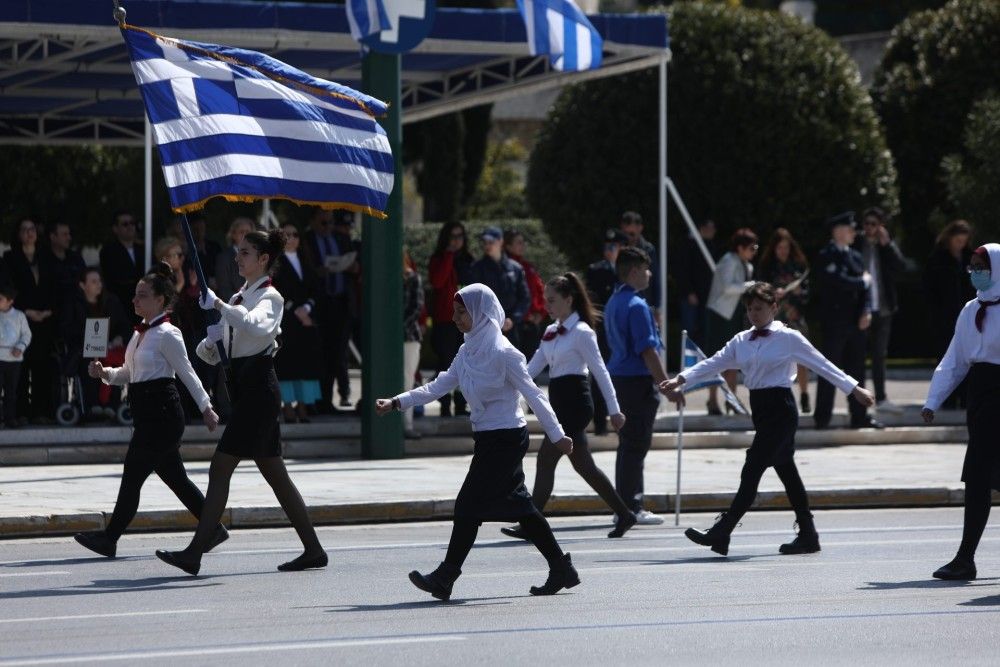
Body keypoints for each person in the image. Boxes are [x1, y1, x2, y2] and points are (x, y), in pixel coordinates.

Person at [375, 284, 580, 601]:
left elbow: (535, 396)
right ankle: (561, 567)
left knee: (468, 503)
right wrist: (398, 401)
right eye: (455, 311)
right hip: (487, 438)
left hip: (508, 437)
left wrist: (558, 435)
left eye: (462, 311)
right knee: (521, 507)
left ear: (481, 313)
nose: (455, 317)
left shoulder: (505, 353)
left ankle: (445, 576)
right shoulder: (467, 351)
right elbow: (439, 386)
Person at [155, 229, 327, 575]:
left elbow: (256, 327)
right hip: (245, 387)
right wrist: (211, 339)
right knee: (276, 475)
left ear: (264, 259)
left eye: (245, 253)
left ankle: (194, 552)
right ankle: (313, 549)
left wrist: (219, 305)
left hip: (260, 392)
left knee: (220, 467)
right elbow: (215, 353)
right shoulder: (238, 295)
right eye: (238, 252)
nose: (238, 258)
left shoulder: (270, 297)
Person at [662, 282, 875, 555]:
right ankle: (808, 534)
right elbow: (713, 362)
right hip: (760, 410)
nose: (754, 313)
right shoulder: (741, 340)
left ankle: (723, 530)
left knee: (752, 468)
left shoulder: (789, 338)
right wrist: (681, 378)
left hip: (781, 410)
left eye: (760, 308)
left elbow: (822, 364)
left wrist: (854, 389)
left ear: (774, 307)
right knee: (787, 471)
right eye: (750, 309)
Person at [73, 263, 225, 559]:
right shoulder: (139, 333)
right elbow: (129, 373)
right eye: (135, 295)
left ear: (159, 300)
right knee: (177, 479)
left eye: (141, 296)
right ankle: (213, 528)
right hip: (146, 412)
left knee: (132, 475)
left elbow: (188, 373)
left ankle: (110, 538)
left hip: (162, 415)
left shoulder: (168, 333)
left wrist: (206, 407)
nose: (134, 300)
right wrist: (104, 372)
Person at [500, 273, 635, 541]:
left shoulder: (582, 332)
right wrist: (508, 389)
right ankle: (625, 513)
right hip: (558, 401)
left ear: (569, 300)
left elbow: (600, 371)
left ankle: (530, 522)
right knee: (584, 466)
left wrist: (614, 409)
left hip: (576, 403)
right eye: (545, 300)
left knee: (545, 459)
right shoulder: (551, 332)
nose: (546, 305)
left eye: (551, 300)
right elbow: (532, 368)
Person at [922, 244, 1000, 580]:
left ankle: (965, 557)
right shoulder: (971, 310)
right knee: (982, 476)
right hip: (980, 394)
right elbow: (955, 360)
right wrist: (932, 400)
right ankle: (965, 557)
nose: (975, 272)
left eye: (981, 266)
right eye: (972, 266)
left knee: (978, 474)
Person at [605, 247, 673, 525]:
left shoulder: (613, 302)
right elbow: (648, 351)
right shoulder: (637, 305)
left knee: (628, 445)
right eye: (646, 269)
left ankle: (625, 505)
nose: (649, 274)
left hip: (620, 379)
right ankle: (631, 506)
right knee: (636, 445)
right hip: (637, 380)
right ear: (633, 272)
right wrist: (667, 384)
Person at [813, 212, 882, 430]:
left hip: (855, 323)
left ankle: (859, 416)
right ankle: (822, 417)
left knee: (857, 371)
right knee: (829, 370)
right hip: (834, 322)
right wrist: (861, 282)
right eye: (850, 229)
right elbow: (838, 281)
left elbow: (866, 290)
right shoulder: (827, 255)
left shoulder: (855, 256)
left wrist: (866, 311)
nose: (854, 233)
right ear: (839, 231)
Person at [300, 208, 358, 411]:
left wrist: (352, 267)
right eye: (324, 223)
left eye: (331, 223)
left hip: (341, 303)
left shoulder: (341, 240)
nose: (328, 227)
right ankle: (315, 402)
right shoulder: (305, 241)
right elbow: (304, 270)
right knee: (319, 354)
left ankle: (327, 400)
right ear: (313, 221)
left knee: (337, 354)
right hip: (318, 304)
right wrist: (317, 272)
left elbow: (355, 263)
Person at [59, 268, 130, 420]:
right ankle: (92, 405)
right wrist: (87, 336)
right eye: (93, 281)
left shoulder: (111, 301)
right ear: (83, 285)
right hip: (83, 350)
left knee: (116, 363)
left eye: (99, 281)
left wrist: (119, 337)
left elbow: (124, 326)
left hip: (110, 348)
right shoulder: (73, 304)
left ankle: (112, 405)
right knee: (90, 363)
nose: (99, 284)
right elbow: (66, 329)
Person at [855, 207, 907, 414]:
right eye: (866, 223)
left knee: (879, 355)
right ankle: (859, 399)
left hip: (883, 308)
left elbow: (901, 268)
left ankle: (881, 397)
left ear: (881, 226)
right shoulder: (857, 243)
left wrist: (888, 245)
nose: (869, 228)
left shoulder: (885, 246)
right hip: (861, 309)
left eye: (873, 224)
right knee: (857, 355)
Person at [5, 218, 56, 425]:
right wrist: (27, 310)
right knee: (22, 367)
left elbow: (53, 286)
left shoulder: (46, 256)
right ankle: (21, 412)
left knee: (42, 365)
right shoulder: (9, 258)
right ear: (18, 234)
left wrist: (47, 310)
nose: (29, 233)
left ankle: (40, 411)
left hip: (44, 319)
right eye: (24, 229)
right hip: (20, 318)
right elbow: (9, 287)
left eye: (32, 229)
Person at [272, 223, 323, 424]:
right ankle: (287, 407)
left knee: (305, 365)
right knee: (287, 366)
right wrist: (296, 310)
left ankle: (303, 405)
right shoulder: (275, 262)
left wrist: (308, 308)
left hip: (306, 321)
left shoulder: (306, 260)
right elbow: (277, 291)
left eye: (295, 234)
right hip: (287, 321)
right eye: (286, 235)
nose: (291, 238)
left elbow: (316, 288)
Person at [757, 227, 812, 413]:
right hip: (774, 319)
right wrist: (773, 293)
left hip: (795, 316)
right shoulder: (767, 267)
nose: (783, 251)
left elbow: (807, 294)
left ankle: (804, 395)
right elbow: (758, 293)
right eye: (780, 247)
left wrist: (798, 293)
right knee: (774, 359)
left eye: (786, 248)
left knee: (802, 357)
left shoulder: (797, 265)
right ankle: (778, 398)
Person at [705, 228, 758, 415]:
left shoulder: (746, 265)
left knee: (735, 356)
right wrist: (750, 286)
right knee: (717, 358)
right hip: (720, 315)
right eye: (751, 247)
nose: (754, 251)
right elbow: (727, 287)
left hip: (735, 315)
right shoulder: (728, 260)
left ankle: (732, 399)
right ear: (741, 247)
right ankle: (712, 400)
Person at [924, 220, 975, 410]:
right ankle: (947, 398)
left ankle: (965, 397)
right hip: (944, 318)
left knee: (968, 359)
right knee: (946, 359)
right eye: (957, 240)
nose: (960, 244)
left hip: (967, 316)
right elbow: (929, 288)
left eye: (964, 240)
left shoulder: (971, 258)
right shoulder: (938, 258)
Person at [428, 221, 474, 417]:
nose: (457, 241)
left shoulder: (469, 260)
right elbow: (437, 282)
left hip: (466, 322)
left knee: (465, 363)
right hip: (445, 320)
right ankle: (445, 405)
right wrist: (448, 255)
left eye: (460, 237)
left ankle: (461, 404)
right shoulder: (438, 258)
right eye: (453, 237)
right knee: (445, 363)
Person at [586, 229, 626, 435]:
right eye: (607, 247)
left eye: (614, 247)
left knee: (621, 374)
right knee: (600, 373)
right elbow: (591, 299)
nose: (610, 251)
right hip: (602, 330)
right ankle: (600, 422)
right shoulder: (595, 270)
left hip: (621, 330)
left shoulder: (625, 271)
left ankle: (620, 420)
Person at [469, 226, 530, 351]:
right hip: (486, 329)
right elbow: (472, 298)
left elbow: (525, 297)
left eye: (491, 242)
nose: (487, 245)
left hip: (511, 328)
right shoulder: (477, 268)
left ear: (501, 242)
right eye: (485, 242)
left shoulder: (515, 268)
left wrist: (513, 319)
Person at [676, 219, 720, 349]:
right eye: (709, 228)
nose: (713, 232)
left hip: (706, 297)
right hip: (691, 297)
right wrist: (689, 292)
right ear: (701, 229)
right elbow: (682, 271)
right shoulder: (688, 245)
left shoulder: (711, 246)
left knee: (704, 331)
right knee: (689, 331)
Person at [504, 228, 547, 359]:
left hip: (532, 323)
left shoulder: (528, 267)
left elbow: (540, 291)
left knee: (531, 364)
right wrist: (525, 315)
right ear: (508, 246)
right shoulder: (504, 267)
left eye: (523, 242)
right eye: (519, 242)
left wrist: (541, 313)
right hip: (515, 324)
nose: (523, 245)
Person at [99, 211, 144, 318]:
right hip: (122, 306)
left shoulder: (143, 249)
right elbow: (113, 279)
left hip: (143, 305)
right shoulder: (108, 251)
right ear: (115, 229)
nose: (130, 227)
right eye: (125, 224)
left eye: (132, 223)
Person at [0, 285, 31, 429]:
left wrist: (20, 347)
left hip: (13, 360)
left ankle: (10, 418)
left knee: (11, 391)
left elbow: (26, 334)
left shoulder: (19, 316)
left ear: (10, 301)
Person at [402, 249, 424, 439]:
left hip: (408, 337)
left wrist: (398, 328)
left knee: (407, 380)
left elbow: (416, 307)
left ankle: (406, 425)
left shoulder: (413, 278)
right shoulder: (384, 279)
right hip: (388, 338)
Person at [619, 211, 660, 314]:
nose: (628, 237)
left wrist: (657, 308)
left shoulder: (648, 249)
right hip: (624, 301)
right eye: (625, 234)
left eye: (631, 234)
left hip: (644, 300)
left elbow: (655, 279)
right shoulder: (619, 248)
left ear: (640, 228)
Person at [213, 217, 255, 302]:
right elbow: (224, 291)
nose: (245, 235)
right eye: (241, 232)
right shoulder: (223, 258)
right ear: (233, 235)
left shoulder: (259, 256)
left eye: (248, 232)